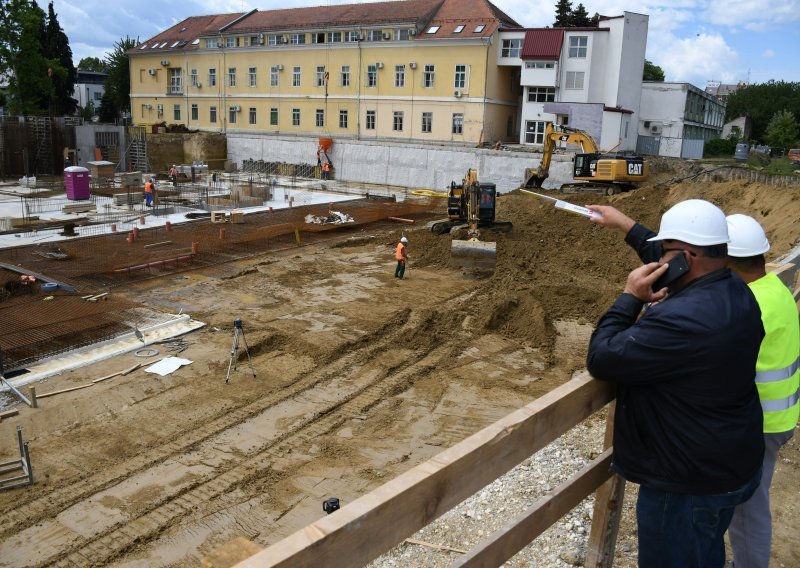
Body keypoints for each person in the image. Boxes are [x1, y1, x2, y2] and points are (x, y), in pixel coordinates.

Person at [586, 199, 765, 568]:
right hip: (728, 465)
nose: (658, 261)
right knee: (706, 552)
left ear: (686, 257)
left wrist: (629, 299)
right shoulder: (734, 287)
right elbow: (668, 252)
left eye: (666, 254)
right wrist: (626, 225)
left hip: (687, 484)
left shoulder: (683, 320)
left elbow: (602, 356)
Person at [725, 214, 799, 568]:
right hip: (778, 417)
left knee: (748, 511)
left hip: (761, 425)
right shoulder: (773, 288)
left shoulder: (749, 306)